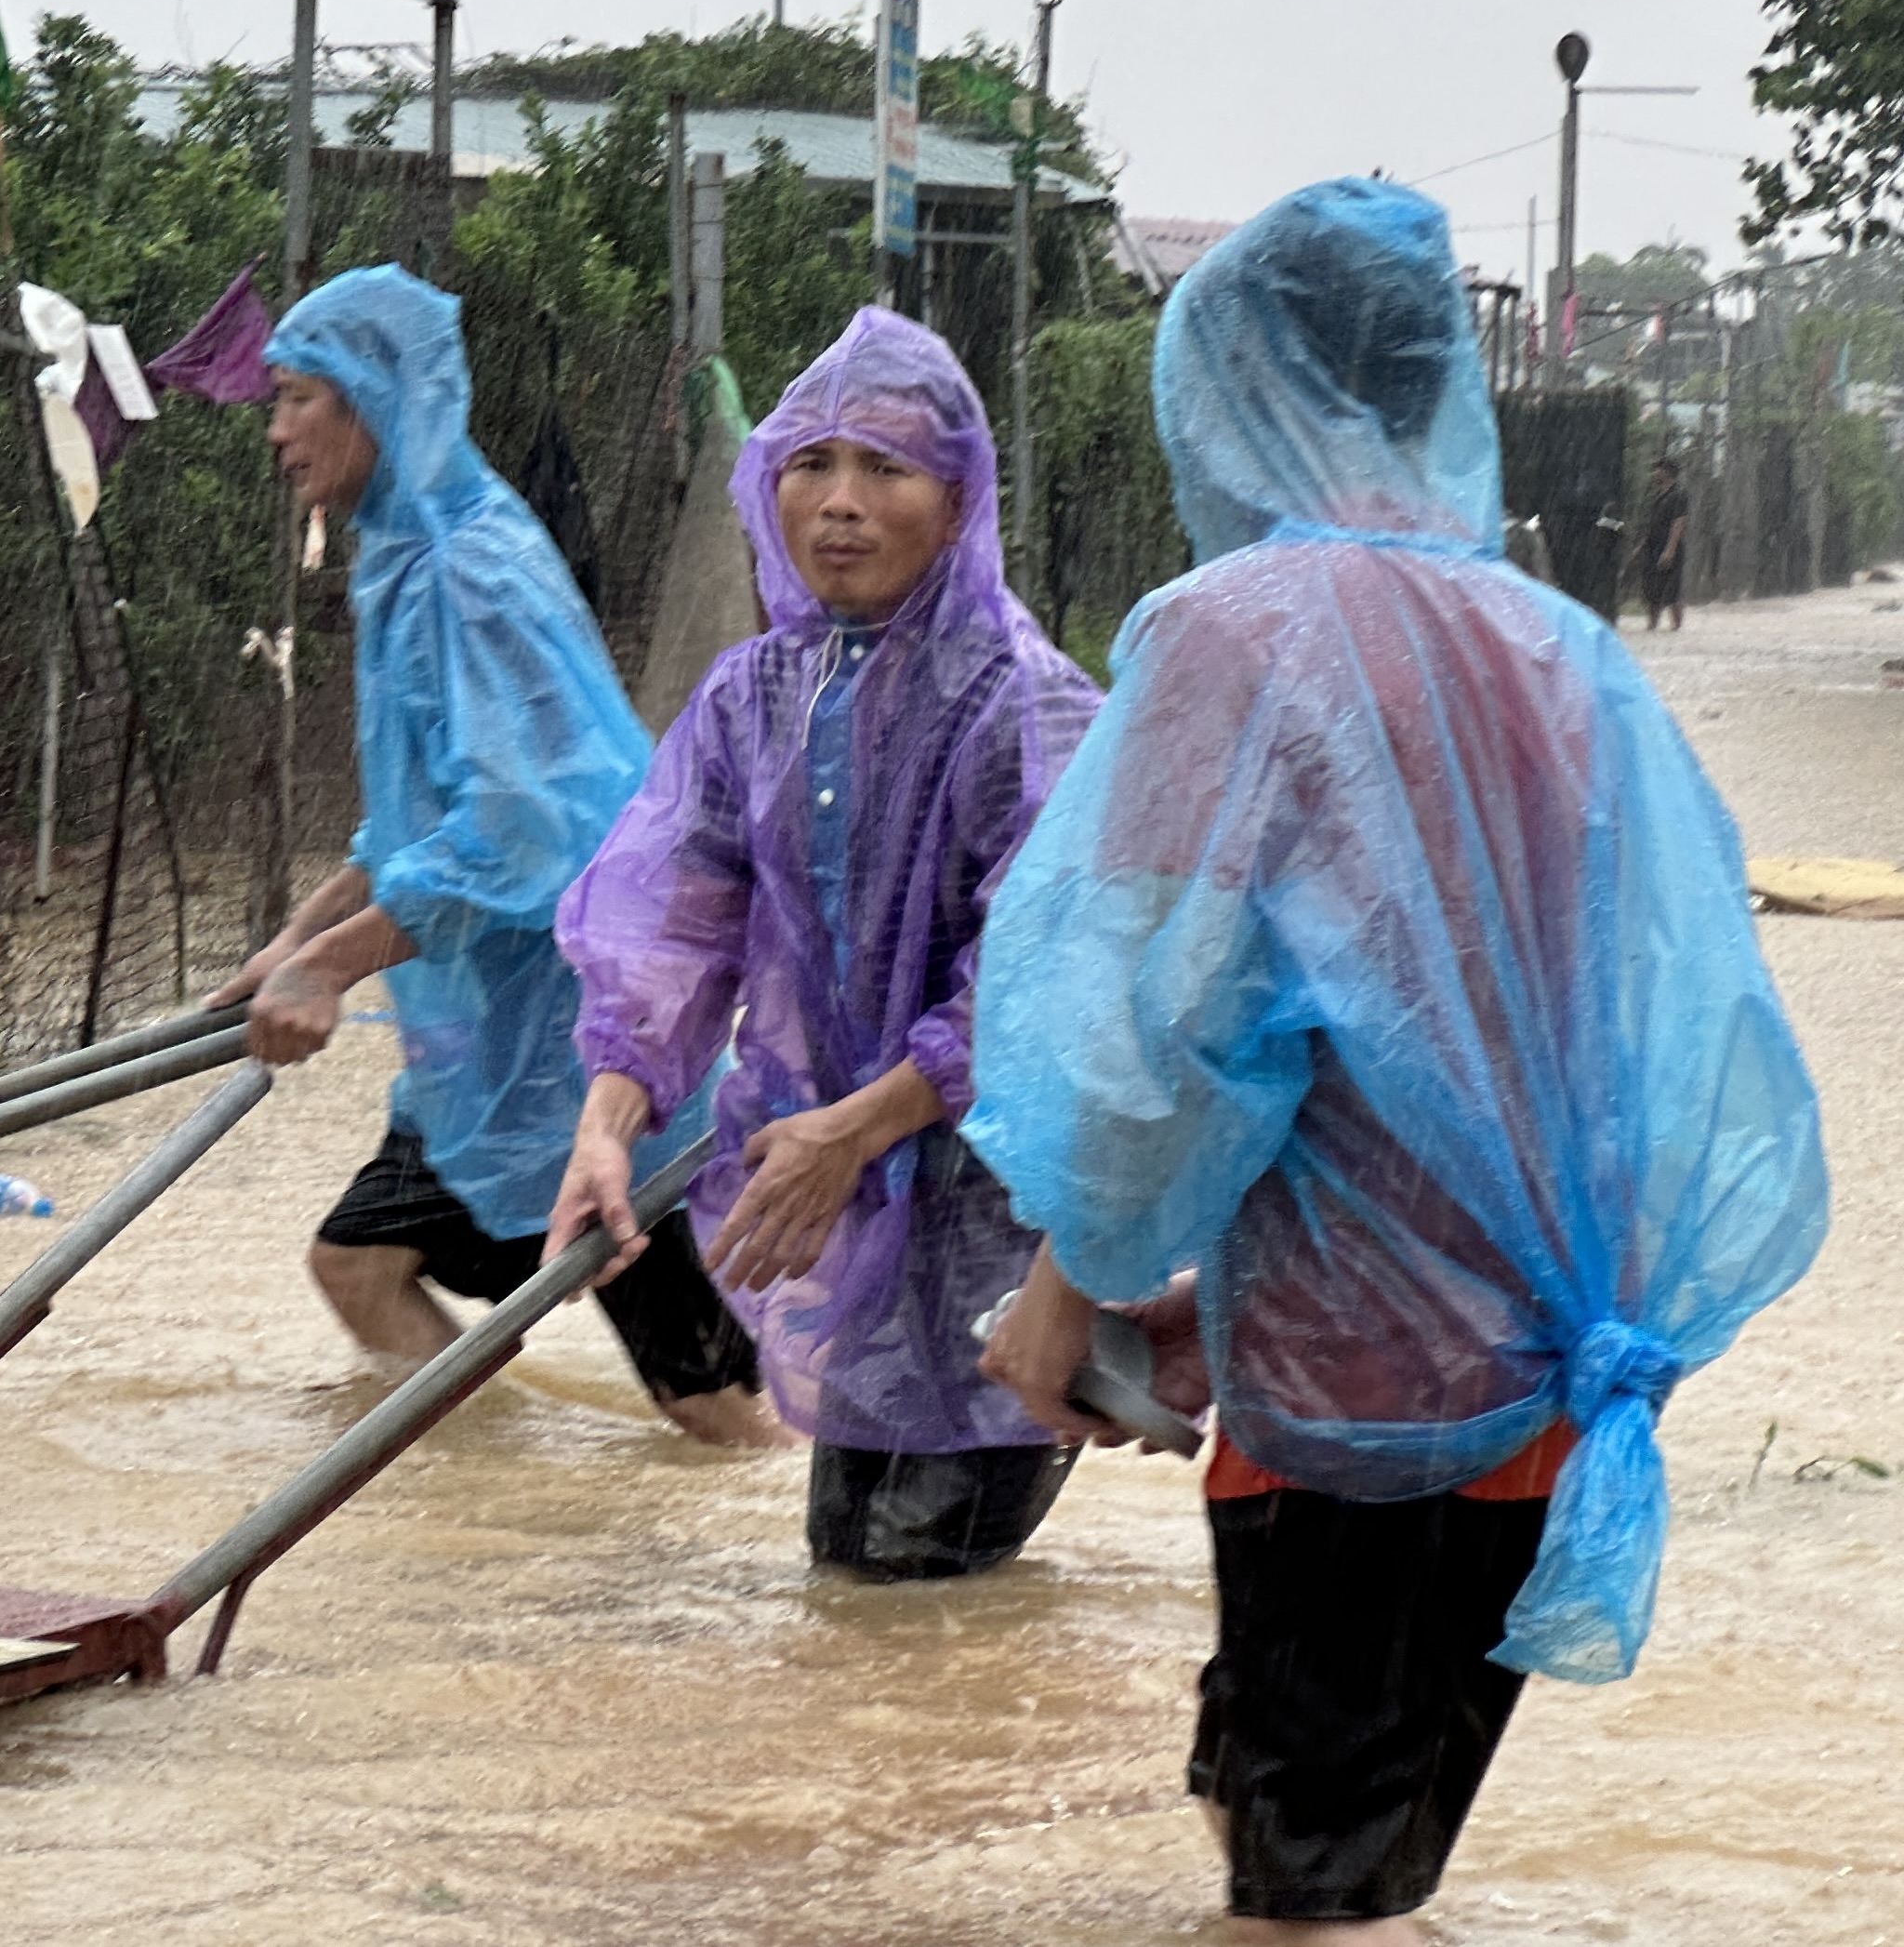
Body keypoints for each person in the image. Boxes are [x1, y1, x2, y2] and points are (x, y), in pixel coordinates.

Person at [965, 179, 1827, 1940]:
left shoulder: (1232, 634)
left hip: (1350, 1417)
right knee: (1337, 1876)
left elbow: (1171, 1039)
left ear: (1228, 380)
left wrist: (1072, 1282)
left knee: (1300, 1903)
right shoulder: (1559, 649)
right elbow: (1570, 1063)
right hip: (1541, 1381)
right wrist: (1231, 1284)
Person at [548, 307, 1107, 1580]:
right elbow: (673, 928)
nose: (840, 503)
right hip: (843, 1217)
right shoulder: (756, 698)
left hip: (997, 1228)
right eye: (812, 463)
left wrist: (856, 1129)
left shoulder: (1031, 710)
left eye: (885, 468)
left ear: (959, 502)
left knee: (918, 1590)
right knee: (855, 1588)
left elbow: (1041, 990)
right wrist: (608, 1123)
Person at [214, 264, 779, 1447]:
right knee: (358, 1267)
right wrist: (298, 939)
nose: (275, 433)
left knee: (715, 1408)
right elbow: (415, 826)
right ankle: (497, 1500)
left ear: (368, 399)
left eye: (296, 399)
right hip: (485, 1054)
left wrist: (332, 969)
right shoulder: (404, 558)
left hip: (590, 1048)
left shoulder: (474, 572)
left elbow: (519, 834)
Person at [1637, 455, 1689, 629]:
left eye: (1658, 469)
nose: (1655, 473)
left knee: (1671, 588)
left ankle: (1676, 625)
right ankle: (1652, 623)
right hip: (1653, 545)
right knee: (1652, 586)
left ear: (1667, 472)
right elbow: (1653, 523)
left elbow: (1679, 522)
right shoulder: (1658, 496)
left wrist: (1670, 550)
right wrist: (1642, 544)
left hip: (1669, 545)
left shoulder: (1679, 495)